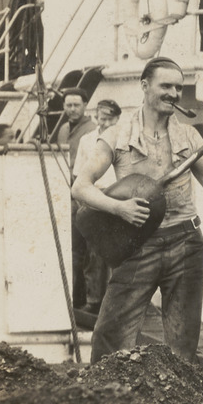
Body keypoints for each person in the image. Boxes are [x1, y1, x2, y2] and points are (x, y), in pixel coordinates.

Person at [72, 57, 203, 364]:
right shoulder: (116, 133)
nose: (174, 93)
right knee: (109, 337)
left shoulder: (190, 135)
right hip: (138, 245)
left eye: (179, 87)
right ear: (144, 86)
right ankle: (105, 402)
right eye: (166, 85)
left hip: (186, 244)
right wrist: (119, 208)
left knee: (182, 345)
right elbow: (80, 187)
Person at [71, 99, 122, 327]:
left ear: (117, 119)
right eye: (101, 117)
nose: (104, 122)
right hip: (92, 197)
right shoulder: (86, 140)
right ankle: (93, 300)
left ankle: (115, 301)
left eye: (109, 118)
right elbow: (78, 173)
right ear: (96, 116)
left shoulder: (122, 139)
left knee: (116, 252)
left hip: (117, 197)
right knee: (91, 253)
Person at [56, 87, 97, 315]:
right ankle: (75, 298)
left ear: (85, 106)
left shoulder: (91, 131)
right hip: (65, 199)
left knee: (87, 252)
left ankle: (87, 300)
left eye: (76, 105)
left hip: (83, 199)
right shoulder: (63, 130)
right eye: (68, 105)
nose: (72, 109)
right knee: (72, 250)